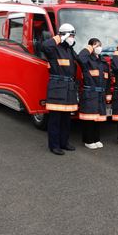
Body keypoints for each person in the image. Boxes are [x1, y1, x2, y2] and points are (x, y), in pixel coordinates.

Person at [42, 23, 79, 155]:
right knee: (55, 119)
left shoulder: (69, 49)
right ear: (64, 35)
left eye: (73, 35)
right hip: (57, 87)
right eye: (71, 35)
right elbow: (45, 46)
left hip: (69, 88)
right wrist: (60, 37)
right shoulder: (54, 48)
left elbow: (79, 60)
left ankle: (64, 142)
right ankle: (54, 145)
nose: (72, 38)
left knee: (66, 119)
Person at [77, 38, 111, 149]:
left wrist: (107, 93)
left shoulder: (103, 61)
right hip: (90, 93)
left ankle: (96, 138)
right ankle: (88, 140)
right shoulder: (87, 60)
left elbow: (108, 79)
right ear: (91, 47)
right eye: (96, 45)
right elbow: (80, 58)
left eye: (100, 45)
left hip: (100, 94)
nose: (99, 47)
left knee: (98, 118)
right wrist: (89, 48)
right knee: (89, 119)